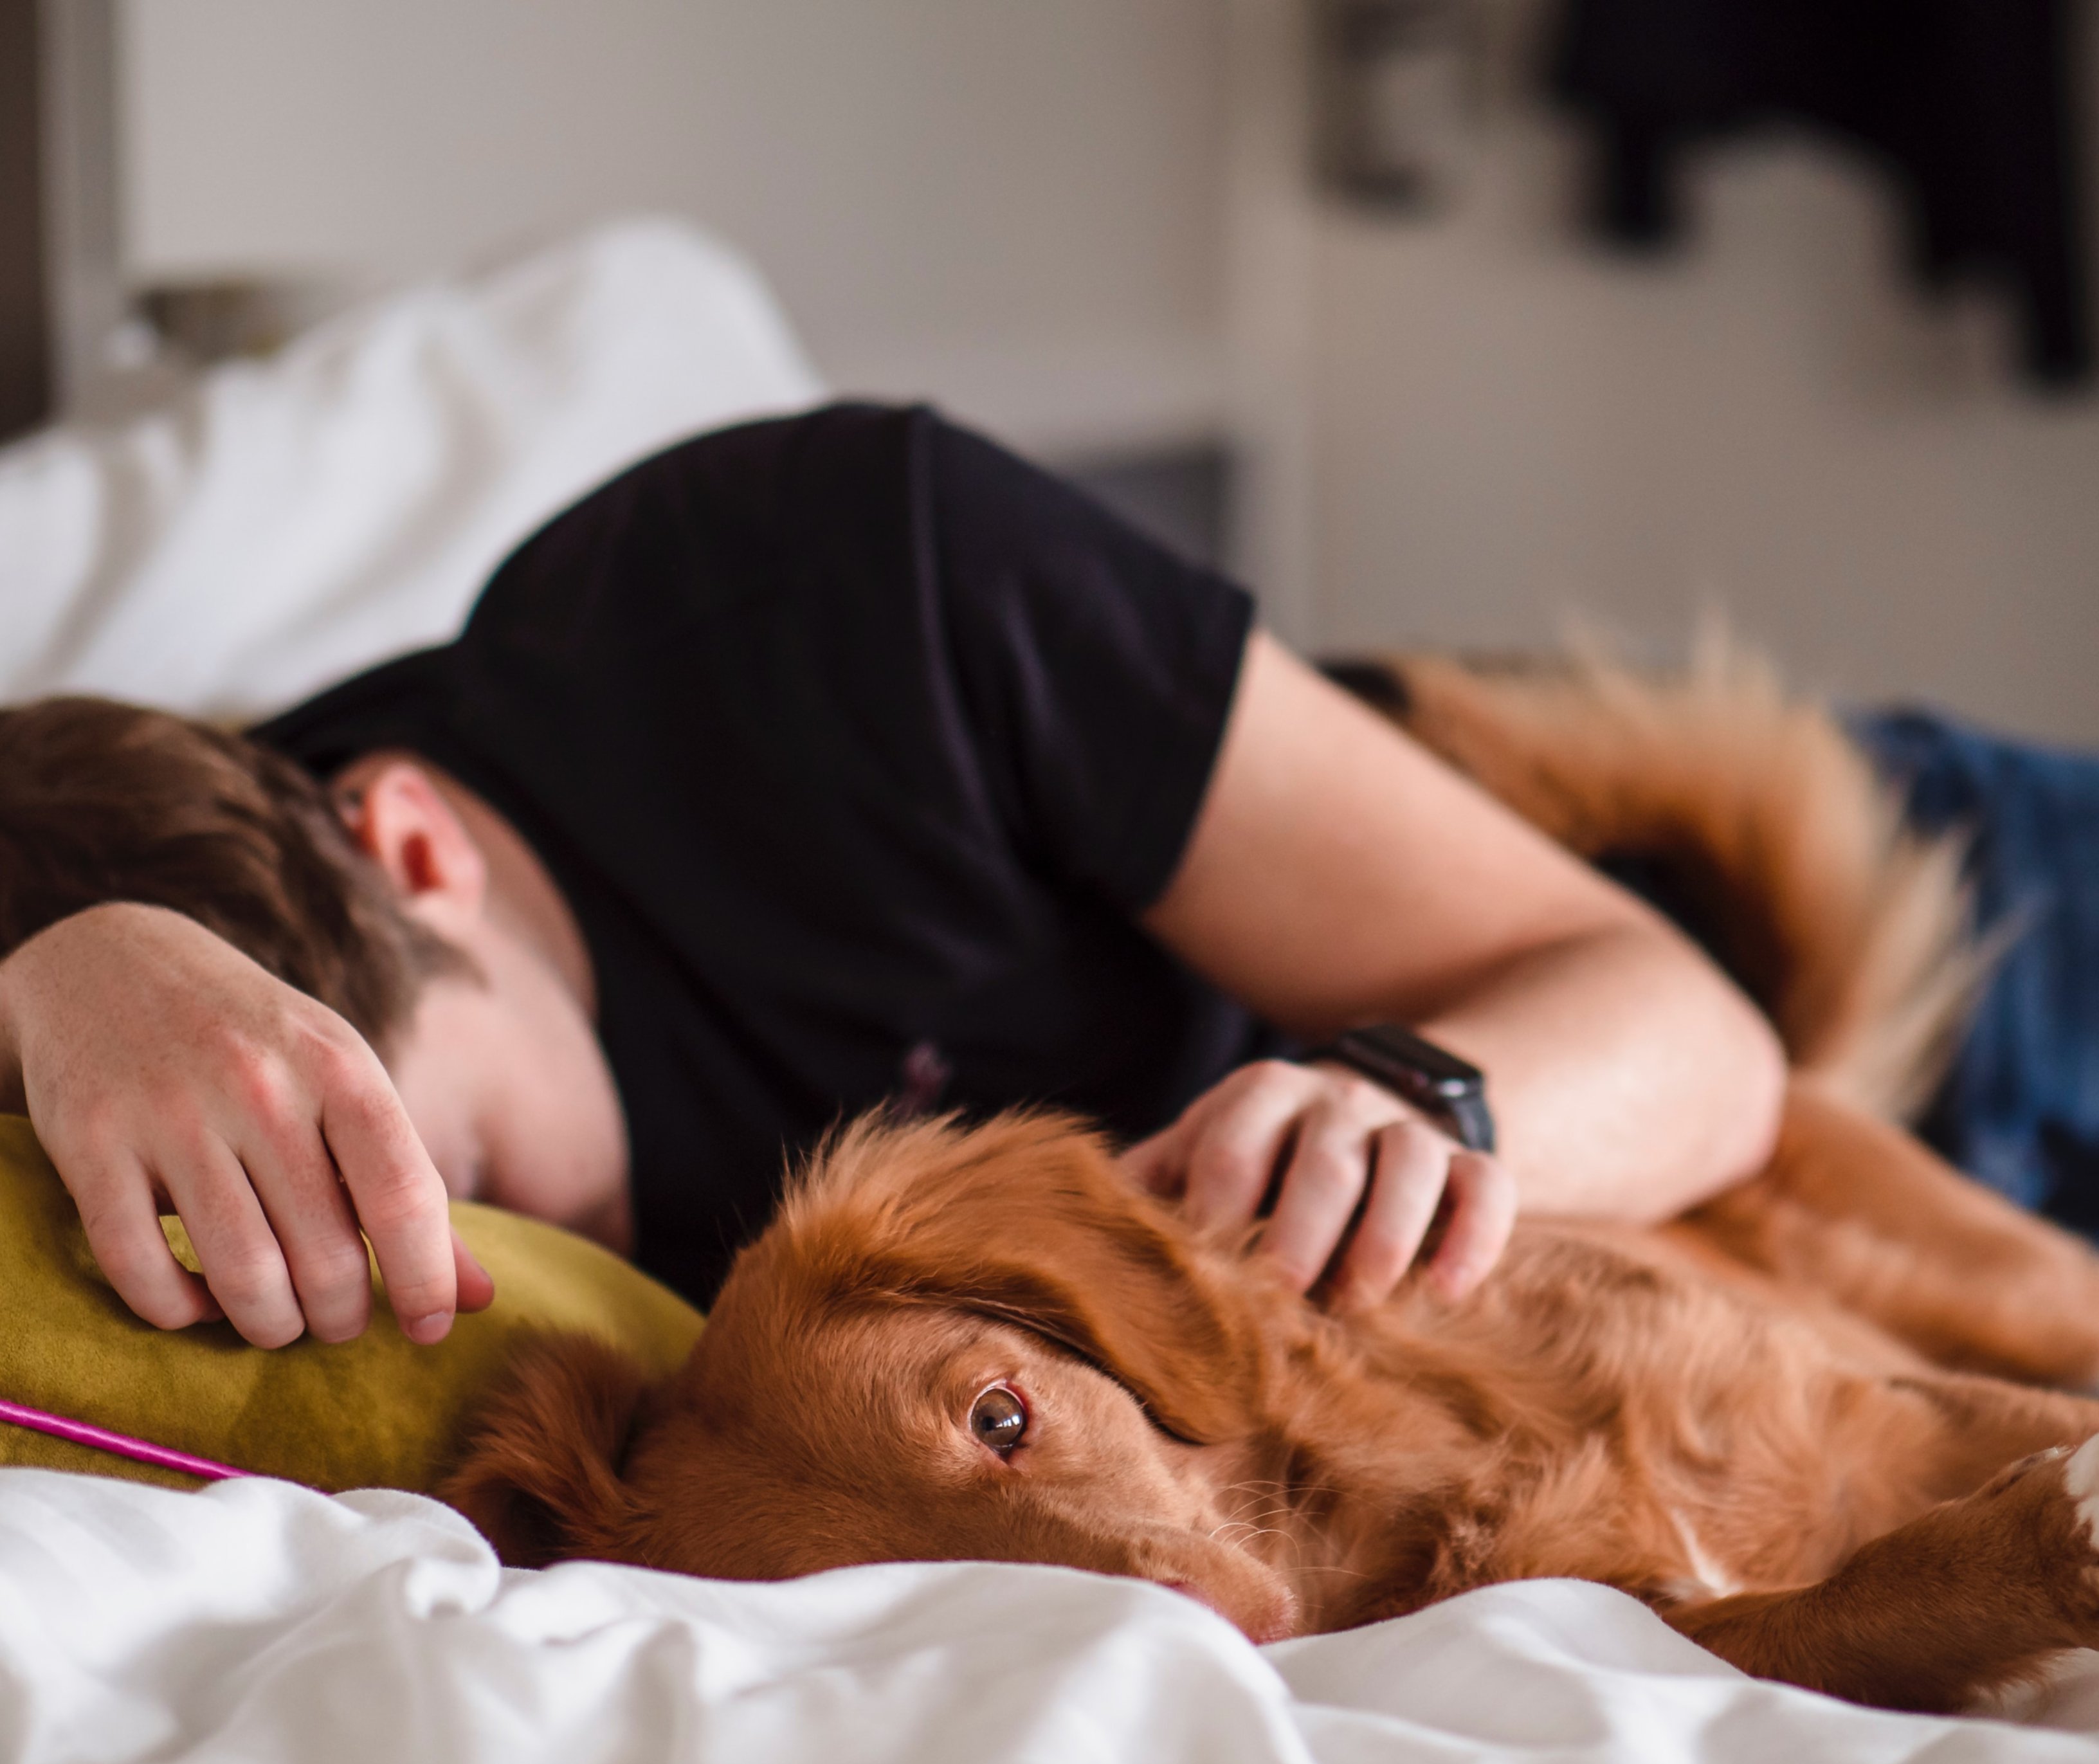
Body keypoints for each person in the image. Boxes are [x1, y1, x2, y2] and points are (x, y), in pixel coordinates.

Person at [0, 405, 1786, 1351]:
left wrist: (1414, 1106)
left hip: (1691, 834)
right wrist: (56, 968)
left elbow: (1697, 1030)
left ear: (416, 851)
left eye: (460, 1176)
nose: (492, 1283)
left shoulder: (846, 583)